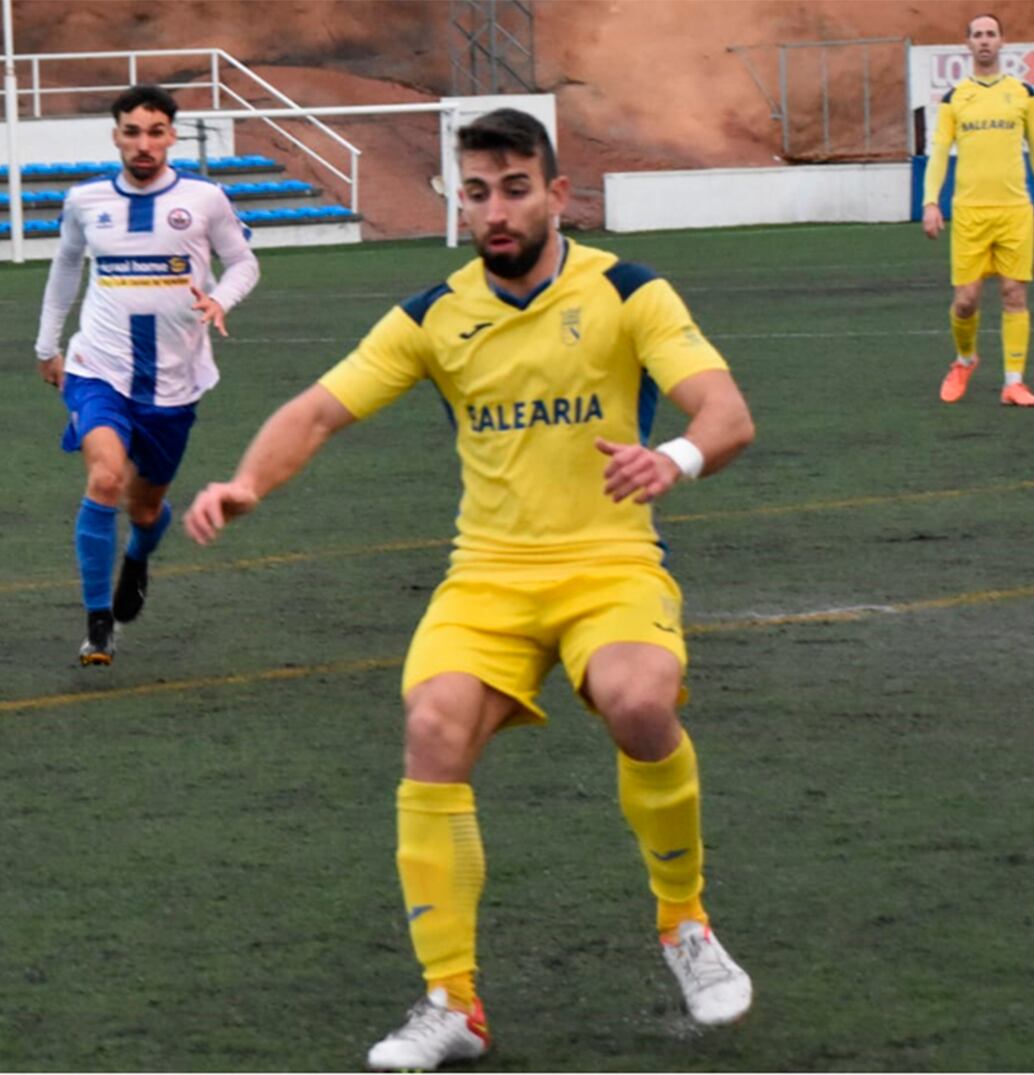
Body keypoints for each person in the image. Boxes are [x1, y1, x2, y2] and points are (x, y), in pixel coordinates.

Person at [184, 108, 757, 1071]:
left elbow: (727, 411)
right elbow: (320, 409)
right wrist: (247, 482)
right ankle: (453, 1002)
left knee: (638, 699)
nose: (496, 209)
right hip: (487, 575)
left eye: (515, 188)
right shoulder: (433, 314)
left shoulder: (626, 290)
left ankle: (684, 924)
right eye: (478, 191)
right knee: (432, 729)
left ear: (556, 192)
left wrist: (676, 458)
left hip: (610, 562)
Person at [34, 84, 259, 666]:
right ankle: (98, 622)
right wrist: (47, 345)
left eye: (155, 132)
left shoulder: (205, 198)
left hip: (174, 382)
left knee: (145, 508)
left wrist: (221, 301)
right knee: (105, 479)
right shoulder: (85, 201)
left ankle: (137, 559)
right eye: (131, 132)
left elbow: (243, 262)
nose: (143, 144)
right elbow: (64, 269)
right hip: (96, 368)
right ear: (115, 136)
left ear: (171, 136)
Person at [921, 13, 1034, 408]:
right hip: (969, 212)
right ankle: (965, 359)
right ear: (967, 44)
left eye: (991, 34)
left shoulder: (1023, 93)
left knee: (1014, 294)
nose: (985, 41)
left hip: (1015, 210)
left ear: (1002, 42)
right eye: (978, 35)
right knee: (966, 300)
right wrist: (930, 200)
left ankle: (1013, 382)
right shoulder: (954, 99)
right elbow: (937, 156)